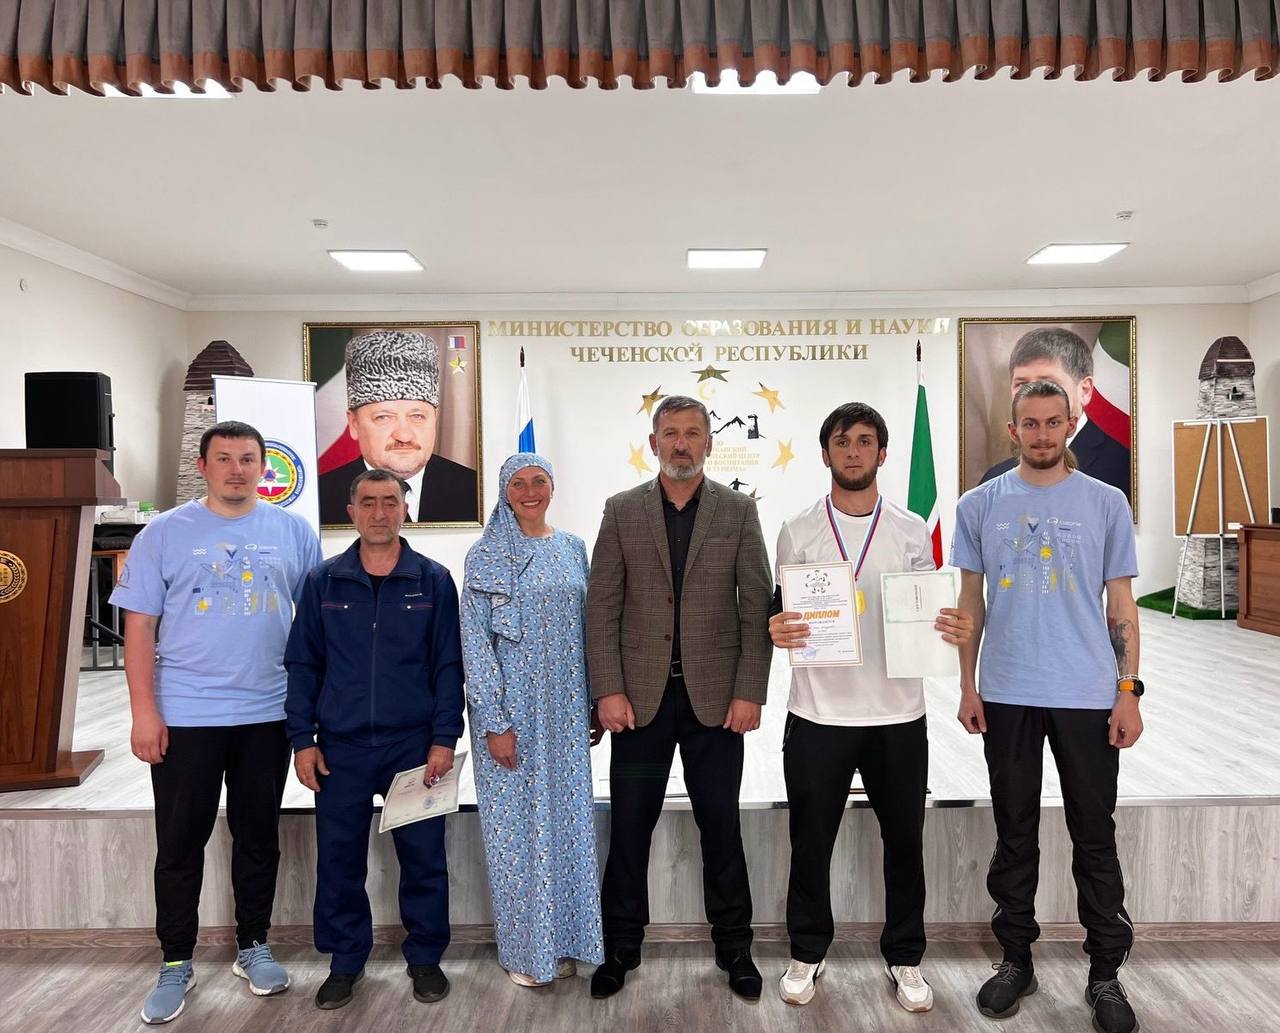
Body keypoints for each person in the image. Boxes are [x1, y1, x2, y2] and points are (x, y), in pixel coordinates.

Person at [110, 420, 323, 1025]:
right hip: (187, 714)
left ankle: (252, 945)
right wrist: (144, 712)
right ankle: (176, 960)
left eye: (247, 458)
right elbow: (139, 627)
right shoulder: (163, 533)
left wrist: (311, 716)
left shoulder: (294, 533)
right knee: (181, 843)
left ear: (264, 468)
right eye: (224, 458)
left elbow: (314, 628)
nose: (236, 469)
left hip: (267, 712)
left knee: (258, 837)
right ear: (203, 466)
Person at [768, 402, 973, 1012]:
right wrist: (776, 627)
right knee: (810, 844)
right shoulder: (798, 528)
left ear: (882, 453)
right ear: (825, 453)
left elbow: (928, 610)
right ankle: (807, 952)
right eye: (842, 441)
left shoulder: (910, 529)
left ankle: (906, 957)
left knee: (905, 845)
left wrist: (951, 626)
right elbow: (780, 610)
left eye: (864, 441)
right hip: (818, 716)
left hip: (898, 718)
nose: (853, 451)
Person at [953, 380, 1144, 1033]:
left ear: (1070, 424)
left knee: (1095, 834)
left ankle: (1105, 972)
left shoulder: (1106, 502)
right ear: (1013, 430)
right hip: (1006, 691)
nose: (1041, 433)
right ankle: (1016, 959)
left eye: (1052, 422)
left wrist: (1127, 690)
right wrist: (967, 685)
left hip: (1086, 694)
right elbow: (970, 601)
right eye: (1029, 423)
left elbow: (1122, 606)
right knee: (1015, 833)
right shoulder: (979, 504)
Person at [586, 395, 773, 1001]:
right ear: (654, 443)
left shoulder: (738, 511)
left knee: (721, 828)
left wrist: (749, 691)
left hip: (715, 705)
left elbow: (756, 607)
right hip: (638, 705)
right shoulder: (621, 510)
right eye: (671, 433)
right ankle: (620, 947)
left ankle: (735, 948)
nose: (682, 444)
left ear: (710, 443)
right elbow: (602, 608)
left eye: (693, 433)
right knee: (629, 829)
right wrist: (607, 689)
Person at [284, 468, 464, 1010]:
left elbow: (448, 666)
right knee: (339, 860)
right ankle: (345, 961)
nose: (380, 512)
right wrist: (302, 739)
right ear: (352, 512)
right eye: (368, 502)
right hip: (339, 749)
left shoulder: (433, 580)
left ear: (406, 510)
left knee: (423, 857)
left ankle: (425, 958)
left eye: (390, 501)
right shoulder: (323, 582)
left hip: (414, 746)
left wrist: (443, 738)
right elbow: (302, 665)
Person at [460, 453, 605, 987]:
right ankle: (526, 952)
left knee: (566, 829)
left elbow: (590, 630)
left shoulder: (573, 549)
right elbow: (476, 645)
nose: (529, 491)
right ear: (504, 492)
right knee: (518, 835)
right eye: (517, 483)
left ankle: (564, 942)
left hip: (565, 712)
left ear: (552, 487)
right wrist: (494, 722)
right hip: (512, 717)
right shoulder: (486, 556)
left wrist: (593, 701)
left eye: (538, 481)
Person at [317, 328, 478, 524]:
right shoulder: (320, 497)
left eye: (417, 416)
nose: (404, 436)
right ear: (354, 424)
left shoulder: (475, 490)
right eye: (384, 417)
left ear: (434, 418)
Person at [980, 327, 1131, 502]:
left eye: (1048, 384)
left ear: (1085, 390)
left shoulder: (1126, 467)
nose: (1033, 396)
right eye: (1022, 385)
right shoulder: (993, 481)